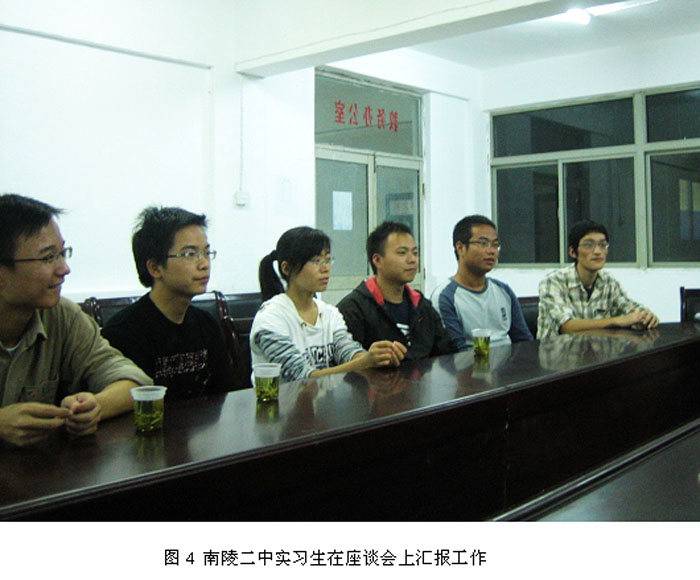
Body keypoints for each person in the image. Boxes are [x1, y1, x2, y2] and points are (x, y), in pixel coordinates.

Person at [0, 194, 152, 447]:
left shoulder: (62, 316)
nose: (64, 269)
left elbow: (133, 381)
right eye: (48, 258)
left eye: (62, 253)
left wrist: (95, 406)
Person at [102, 206, 239, 400]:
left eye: (206, 253)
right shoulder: (124, 333)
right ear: (155, 268)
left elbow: (227, 395)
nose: (204, 264)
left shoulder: (206, 325)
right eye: (190, 254)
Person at [251, 226, 406, 382]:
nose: (325, 268)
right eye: (316, 261)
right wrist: (364, 362)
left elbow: (347, 351)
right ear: (287, 268)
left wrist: (378, 357)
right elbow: (302, 379)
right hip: (279, 398)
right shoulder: (270, 318)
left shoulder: (329, 313)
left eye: (327, 259)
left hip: (324, 398)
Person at [337, 221, 456, 361]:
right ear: (377, 260)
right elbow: (347, 366)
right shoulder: (353, 309)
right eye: (402, 253)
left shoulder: (423, 307)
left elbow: (448, 354)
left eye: (415, 253)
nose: (412, 260)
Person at [537, 220, 659, 339]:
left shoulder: (608, 282)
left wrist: (644, 316)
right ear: (573, 252)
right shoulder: (553, 282)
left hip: (597, 352)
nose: (597, 251)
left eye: (602, 245)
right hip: (560, 351)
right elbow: (567, 327)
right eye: (588, 245)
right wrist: (616, 321)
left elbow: (629, 308)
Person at [431, 215, 532, 350]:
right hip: (470, 362)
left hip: (510, 361)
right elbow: (456, 352)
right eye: (483, 243)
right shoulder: (445, 297)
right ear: (460, 248)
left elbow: (524, 341)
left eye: (495, 245)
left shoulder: (503, 291)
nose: (491, 251)